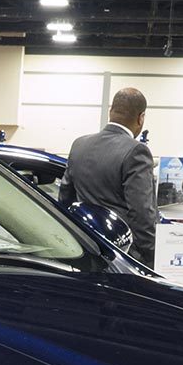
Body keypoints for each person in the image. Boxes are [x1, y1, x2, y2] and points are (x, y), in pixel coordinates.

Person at [66, 86, 157, 268]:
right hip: (121, 257)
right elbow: (142, 213)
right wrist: (151, 258)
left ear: (110, 112)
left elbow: (65, 198)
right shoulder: (136, 151)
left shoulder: (79, 144)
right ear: (141, 118)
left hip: (84, 250)